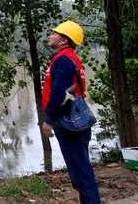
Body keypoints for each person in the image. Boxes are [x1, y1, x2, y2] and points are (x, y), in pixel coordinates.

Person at [42, 21, 101, 204]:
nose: (50, 36)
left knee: (81, 174)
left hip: (69, 124)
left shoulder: (63, 60)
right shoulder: (68, 57)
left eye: (54, 34)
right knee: (81, 171)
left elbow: (59, 92)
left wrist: (49, 120)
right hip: (74, 121)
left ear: (64, 40)